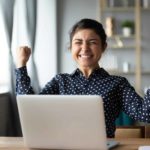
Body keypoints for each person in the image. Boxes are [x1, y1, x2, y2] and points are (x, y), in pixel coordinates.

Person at [15, 18, 150, 138]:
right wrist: (21, 65)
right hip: (62, 146)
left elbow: (145, 114)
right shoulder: (60, 81)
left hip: (102, 147)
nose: (84, 48)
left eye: (92, 42)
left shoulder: (118, 83)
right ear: (71, 47)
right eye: (78, 42)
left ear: (104, 47)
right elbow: (31, 109)